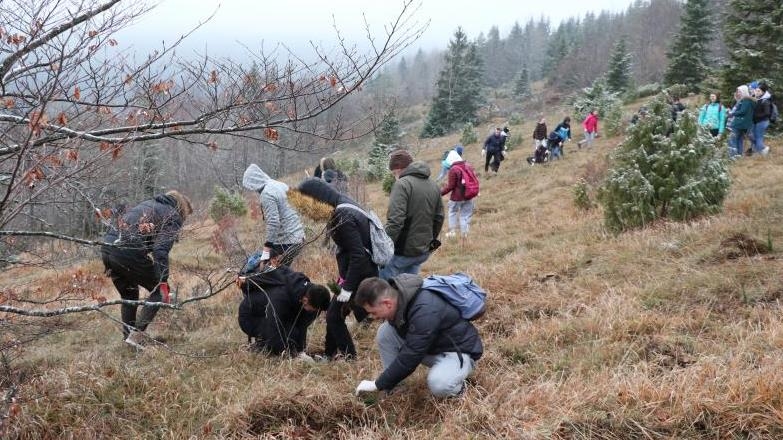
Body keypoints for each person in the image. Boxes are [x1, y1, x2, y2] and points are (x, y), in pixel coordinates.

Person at [353, 275, 483, 398]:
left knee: (439, 385)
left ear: (387, 303)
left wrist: (377, 384)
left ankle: (459, 387)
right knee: (385, 333)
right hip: (432, 346)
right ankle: (395, 387)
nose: (373, 317)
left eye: (374, 312)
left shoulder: (425, 310)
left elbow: (411, 355)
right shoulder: (400, 298)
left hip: (457, 351)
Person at [295, 178, 378, 359]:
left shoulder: (343, 216)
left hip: (359, 273)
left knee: (334, 315)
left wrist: (347, 288)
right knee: (335, 314)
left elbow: (358, 255)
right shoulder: (341, 203)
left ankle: (349, 358)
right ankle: (330, 354)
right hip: (354, 272)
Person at [101, 190, 193, 348]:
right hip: (126, 250)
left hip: (107, 249)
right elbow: (160, 250)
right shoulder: (173, 216)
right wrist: (162, 280)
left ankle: (129, 340)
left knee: (129, 293)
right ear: (182, 209)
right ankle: (135, 337)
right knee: (161, 290)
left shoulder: (148, 205)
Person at [237, 249, 330, 357]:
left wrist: (301, 351)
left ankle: (280, 347)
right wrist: (290, 355)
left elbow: (301, 325)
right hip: (250, 316)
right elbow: (274, 327)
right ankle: (261, 346)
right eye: (313, 309)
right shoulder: (282, 296)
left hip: (273, 314)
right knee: (286, 336)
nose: (315, 313)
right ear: (305, 300)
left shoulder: (309, 292)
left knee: (293, 333)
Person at [381, 150, 444, 279]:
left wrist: (383, 247)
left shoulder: (402, 184)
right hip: (422, 251)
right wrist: (429, 242)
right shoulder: (433, 185)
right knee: (409, 289)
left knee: (382, 290)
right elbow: (439, 218)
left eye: (393, 173)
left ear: (398, 169)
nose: (394, 176)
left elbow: (395, 221)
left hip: (402, 251)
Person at [242, 164, 305, 266]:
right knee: (283, 273)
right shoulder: (280, 184)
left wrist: (266, 249)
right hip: (298, 237)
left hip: (287, 241)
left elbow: (273, 222)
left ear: (253, 182)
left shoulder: (266, 194)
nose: (253, 189)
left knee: (271, 274)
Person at [441, 150, 475, 239]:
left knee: (452, 212)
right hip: (469, 195)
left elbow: (450, 186)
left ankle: (452, 232)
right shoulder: (468, 166)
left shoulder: (453, 169)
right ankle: (465, 234)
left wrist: (440, 193)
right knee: (465, 215)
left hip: (457, 197)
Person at [728, 85, 755, 158]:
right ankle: (739, 155)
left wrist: (732, 113)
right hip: (744, 124)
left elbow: (743, 111)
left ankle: (732, 156)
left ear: (744, 92)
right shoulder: (750, 100)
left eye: (740, 92)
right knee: (739, 139)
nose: (738, 93)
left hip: (739, 123)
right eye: (737, 92)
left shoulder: (746, 100)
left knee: (732, 139)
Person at [751, 82, 772, 156]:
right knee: (751, 136)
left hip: (763, 121)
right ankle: (763, 149)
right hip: (755, 122)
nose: (756, 92)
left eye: (758, 91)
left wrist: (756, 116)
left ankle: (760, 152)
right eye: (756, 90)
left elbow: (767, 113)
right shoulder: (755, 99)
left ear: (762, 92)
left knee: (758, 137)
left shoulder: (765, 100)